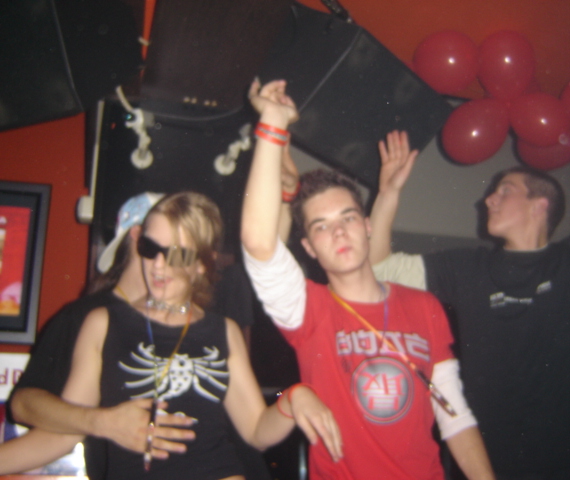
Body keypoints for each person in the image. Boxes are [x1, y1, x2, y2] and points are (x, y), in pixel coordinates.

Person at [368, 27, 570, 480]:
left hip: (569, 465)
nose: (488, 199)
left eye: (504, 190)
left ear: (540, 205)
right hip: (486, 466)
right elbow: (379, 269)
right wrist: (388, 194)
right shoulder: (467, 269)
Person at [241, 78, 495, 479]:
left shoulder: (423, 306)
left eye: (347, 218)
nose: (339, 232)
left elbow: (455, 415)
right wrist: (273, 123)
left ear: (367, 226)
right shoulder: (307, 309)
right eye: (322, 227)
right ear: (308, 247)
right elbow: (259, 243)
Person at [9, 191, 343, 479]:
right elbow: (62, 435)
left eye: (176, 255)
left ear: (201, 264)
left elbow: (256, 430)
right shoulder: (103, 323)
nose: (158, 265)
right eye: (150, 247)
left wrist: (293, 398)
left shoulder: (223, 331)